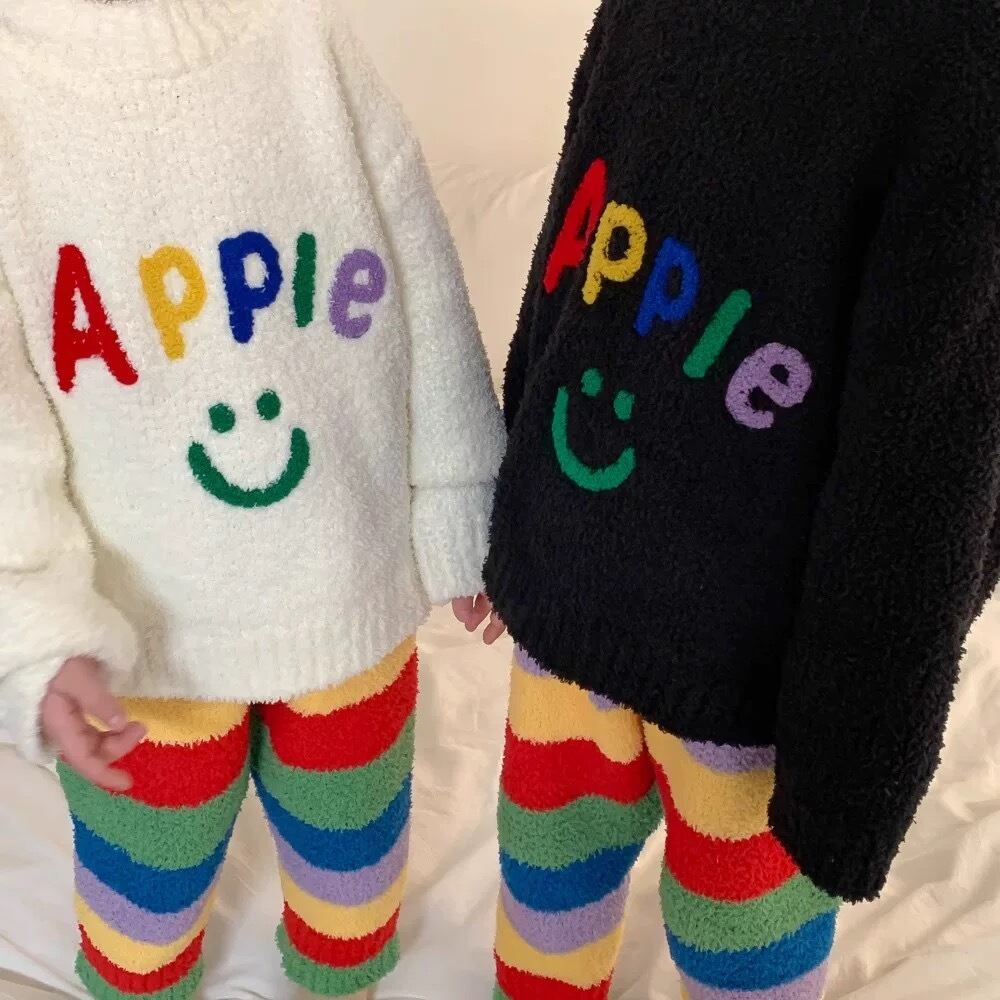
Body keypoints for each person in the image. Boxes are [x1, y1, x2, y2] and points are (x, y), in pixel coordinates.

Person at [483, 1, 1000, 998]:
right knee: (547, 911)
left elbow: (931, 452)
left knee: (736, 945)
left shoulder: (964, 56)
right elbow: (580, 211)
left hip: (750, 672)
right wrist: (515, 508)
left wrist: (851, 764)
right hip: (573, 582)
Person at [0, 1, 505, 997]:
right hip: (144, 646)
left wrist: (458, 494)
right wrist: (34, 624)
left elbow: (422, 274)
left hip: (351, 590)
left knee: (351, 893)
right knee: (139, 934)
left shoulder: (304, 37)